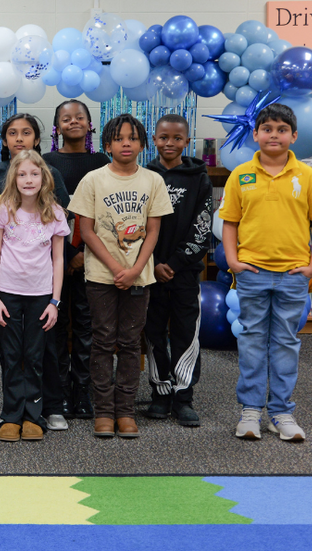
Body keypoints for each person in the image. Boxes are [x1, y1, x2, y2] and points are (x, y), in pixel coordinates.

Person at [220, 103, 312, 442]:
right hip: (252, 273)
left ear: (294, 136)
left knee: (285, 343)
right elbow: (229, 223)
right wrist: (233, 261)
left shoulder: (307, 177)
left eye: (282, 130)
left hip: (293, 275)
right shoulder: (241, 175)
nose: (274, 135)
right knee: (252, 342)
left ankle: (281, 412)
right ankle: (250, 412)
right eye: (267, 128)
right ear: (255, 135)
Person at [68, 114, 172, 440]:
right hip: (101, 276)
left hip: (139, 277)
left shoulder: (153, 180)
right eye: (119, 138)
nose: (126, 143)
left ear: (142, 143)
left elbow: (154, 231)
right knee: (101, 341)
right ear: (107, 144)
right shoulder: (93, 180)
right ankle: (103, 411)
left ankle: (125, 411)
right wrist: (116, 269)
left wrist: (137, 269)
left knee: (129, 343)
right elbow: (85, 230)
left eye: (132, 138)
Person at [0, 112, 70, 430]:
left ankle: (33, 416)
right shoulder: (2, 211)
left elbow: (58, 259)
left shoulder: (55, 215)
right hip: (7, 292)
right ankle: (11, 415)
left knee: (35, 356)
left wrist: (55, 302)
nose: (29, 180)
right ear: (14, 179)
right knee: (10, 356)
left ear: (44, 178)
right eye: (22, 175)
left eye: (35, 174)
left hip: (41, 295)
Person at [42, 99, 111, 421]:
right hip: (52, 259)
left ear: (89, 124)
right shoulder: (46, 162)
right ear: (56, 127)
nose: (73, 122)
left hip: (93, 258)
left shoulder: (101, 161)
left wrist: (84, 253)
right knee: (55, 328)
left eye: (79, 117)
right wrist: (67, 254)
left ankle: (83, 393)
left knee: (87, 328)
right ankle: (58, 396)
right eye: (66, 118)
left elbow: (105, 213)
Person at [143, 114, 213, 427]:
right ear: (154, 139)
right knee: (154, 331)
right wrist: (154, 263)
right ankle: (160, 394)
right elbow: (138, 226)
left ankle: (183, 397)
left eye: (176, 138)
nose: (169, 143)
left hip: (184, 273)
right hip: (150, 272)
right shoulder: (144, 175)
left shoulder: (199, 177)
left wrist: (173, 263)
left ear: (186, 141)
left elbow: (203, 227)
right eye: (163, 137)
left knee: (186, 333)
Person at [0, 113, 69, 208]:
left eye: (26, 133)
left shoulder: (50, 173)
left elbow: (65, 213)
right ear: (5, 141)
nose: (19, 139)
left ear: (36, 141)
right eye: (12, 133)